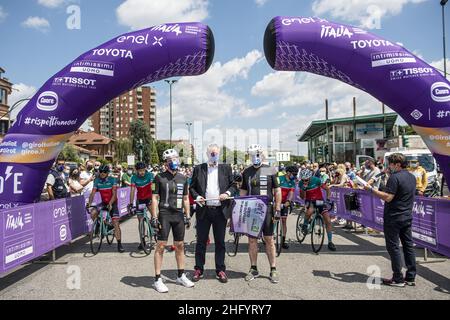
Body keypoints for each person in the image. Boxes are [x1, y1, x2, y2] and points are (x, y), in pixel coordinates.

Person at [365, 153, 417, 287]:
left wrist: (372, 190)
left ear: (397, 165)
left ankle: (398, 278)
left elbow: (388, 197)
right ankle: (411, 276)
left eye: (391, 164)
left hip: (394, 217)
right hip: (406, 215)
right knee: (408, 246)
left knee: (393, 247)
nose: (389, 167)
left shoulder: (395, 178)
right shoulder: (411, 176)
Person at [189, 144, 237, 283]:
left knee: (220, 242)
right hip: (204, 210)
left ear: (219, 154)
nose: (213, 155)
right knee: (201, 242)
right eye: (211, 153)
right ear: (207, 154)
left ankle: (220, 270)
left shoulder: (226, 168)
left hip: (220, 211)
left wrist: (227, 193)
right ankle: (198, 269)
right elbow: (192, 188)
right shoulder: (199, 168)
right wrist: (197, 197)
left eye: (215, 153)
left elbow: (233, 185)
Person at [151, 149, 193, 293]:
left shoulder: (183, 178)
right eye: (170, 160)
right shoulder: (159, 177)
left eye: (175, 158)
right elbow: (154, 198)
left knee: (180, 245)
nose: (173, 161)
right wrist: (154, 217)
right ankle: (157, 279)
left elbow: (186, 198)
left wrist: (188, 216)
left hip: (178, 214)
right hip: (164, 214)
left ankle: (180, 275)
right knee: (161, 246)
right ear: (165, 163)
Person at [240, 144, 281, 284]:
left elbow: (277, 190)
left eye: (256, 155)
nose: (254, 158)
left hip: (268, 209)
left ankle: (273, 269)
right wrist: (240, 210)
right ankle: (253, 268)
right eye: (251, 156)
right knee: (252, 240)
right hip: (252, 210)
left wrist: (278, 209)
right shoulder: (246, 172)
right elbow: (243, 192)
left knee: (269, 240)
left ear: (261, 155)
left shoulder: (270, 169)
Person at [86, 164, 124, 253]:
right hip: (104, 203)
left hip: (113, 202)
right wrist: (89, 203)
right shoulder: (97, 180)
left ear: (107, 173)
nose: (102, 173)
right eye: (101, 172)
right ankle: (99, 224)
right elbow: (92, 193)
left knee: (115, 223)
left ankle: (119, 244)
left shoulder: (112, 180)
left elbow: (114, 194)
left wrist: (110, 203)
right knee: (93, 212)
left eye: (104, 172)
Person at [298, 169, 336, 251]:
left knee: (328, 220)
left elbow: (327, 189)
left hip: (319, 200)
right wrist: (304, 189)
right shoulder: (301, 183)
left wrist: (328, 198)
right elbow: (302, 197)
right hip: (309, 200)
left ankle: (330, 242)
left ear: (310, 177)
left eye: (306, 180)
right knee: (310, 211)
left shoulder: (317, 180)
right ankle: (305, 224)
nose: (305, 181)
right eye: (303, 179)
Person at [129, 162, 154, 251]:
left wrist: (154, 196)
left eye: (143, 170)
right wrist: (131, 203)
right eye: (140, 171)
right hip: (140, 200)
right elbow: (132, 190)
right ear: (136, 170)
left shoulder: (150, 175)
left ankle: (155, 227)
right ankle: (142, 241)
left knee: (155, 215)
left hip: (149, 198)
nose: (142, 172)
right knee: (140, 221)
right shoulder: (134, 178)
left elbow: (153, 186)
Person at [277, 165, 298, 249]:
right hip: (276, 200)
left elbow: (291, 193)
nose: (295, 176)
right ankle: (269, 237)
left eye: (296, 174)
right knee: (273, 219)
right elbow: (274, 191)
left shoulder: (292, 182)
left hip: (284, 202)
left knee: (284, 221)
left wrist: (288, 201)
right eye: (294, 174)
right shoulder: (279, 178)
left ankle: (283, 240)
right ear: (288, 173)